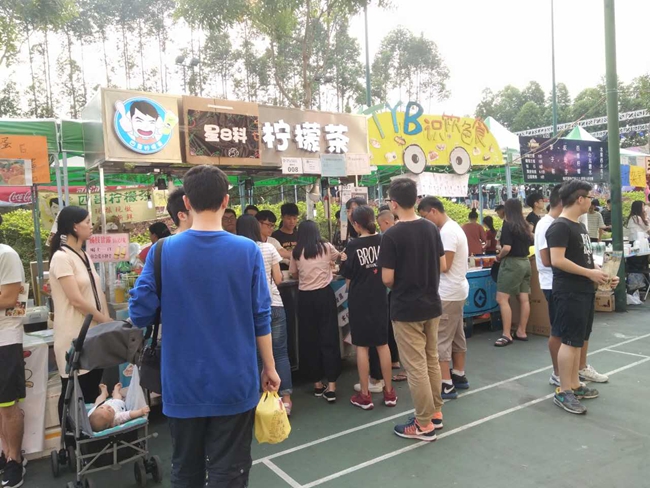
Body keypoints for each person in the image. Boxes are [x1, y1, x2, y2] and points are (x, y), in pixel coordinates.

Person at [129, 165, 280, 487]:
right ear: (226, 201)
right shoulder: (248, 250)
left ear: (186, 202)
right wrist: (269, 367)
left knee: (186, 471)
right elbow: (261, 316)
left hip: (182, 383)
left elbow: (139, 314)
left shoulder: (161, 251)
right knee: (230, 471)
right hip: (235, 381)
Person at [378, 178, 445, 441]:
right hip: (432, 304)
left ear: (393, 204)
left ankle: (423, 424)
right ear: (416, 200)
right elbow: (442, 264)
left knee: (416, 367)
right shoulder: (431, 228)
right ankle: (435, 413)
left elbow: (387, 278)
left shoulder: (391, 235)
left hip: (407, 308)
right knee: (431, 360)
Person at [546, 180, 618, 414]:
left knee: (578, 339)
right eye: (589, 197)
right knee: (569, 340)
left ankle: (575, 384)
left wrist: (602, 274)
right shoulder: (560, 226)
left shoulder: (578, 226)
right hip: (569, 291)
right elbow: (557, 260)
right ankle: (564, 390)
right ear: (580, 199)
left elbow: (584, 260)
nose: (591, 202)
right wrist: (590, 273)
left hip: (583, 290)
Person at [49, 206, 111, 421]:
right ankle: (70, 438)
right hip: (74, 336)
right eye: (87, 222)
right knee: (73, 392)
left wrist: (105, 323)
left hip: (93, 335)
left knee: (91, 390)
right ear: (74, 226)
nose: (91, 226)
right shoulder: (61, 257)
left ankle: (89, 436)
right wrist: (105, 320)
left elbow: (96, 293)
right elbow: (76, 300)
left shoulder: (84, 255)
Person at [236, 215, 293, 416]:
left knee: (257, 356)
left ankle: (262, 400)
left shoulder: (237, 250)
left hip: (249, 309)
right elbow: (278, 278)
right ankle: (286, 400)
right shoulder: (268, 248)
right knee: (280, 353)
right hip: (274, 304)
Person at [341, 206, 397, 410]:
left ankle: (365, 395)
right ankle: (389, 392)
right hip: (380, 297)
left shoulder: (352, 246)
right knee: (383, 344)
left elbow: (347, 276)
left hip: (359, 300)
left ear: (356, 224)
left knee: (362, 347)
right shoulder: (384, 240)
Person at [418, 197, 470, 400]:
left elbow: (444, 265)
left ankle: (446, 384)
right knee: (456, 335)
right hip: (457, 291)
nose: (425, 222)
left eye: (425, 217)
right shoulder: (454, 228)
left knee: (440, 339)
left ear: (433, 211)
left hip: (448, 293)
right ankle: (459, 374)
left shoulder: (447, 232)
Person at [289, 221, 341, 402]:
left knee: (309, 340)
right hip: (324, 295)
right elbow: (340, 257)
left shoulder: (296, 252)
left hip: (305, 298)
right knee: (329, 337)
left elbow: (294, 274)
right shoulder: (326, 247)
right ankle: (332, 386)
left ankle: (317, 384)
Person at [0, 222, 27, 488]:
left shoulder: (6, 254)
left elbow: (9, 298)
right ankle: (6, 452)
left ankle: (15, 459)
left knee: (8, 404)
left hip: (5, 339)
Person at [534, 185, 563, 387]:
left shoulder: (557, 223)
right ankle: (558, 373)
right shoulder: (546, 225)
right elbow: (546, 260)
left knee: (565, 330)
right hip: (552, 283)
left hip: (561, 282)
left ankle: (568, 371)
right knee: (558, 330)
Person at [494, 199, 534, 347]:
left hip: (511, 264)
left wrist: (499, 257)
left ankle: (506, 334)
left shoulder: (507, 224)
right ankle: (521, 331)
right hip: (525, 262)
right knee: (524, 298)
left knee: (502, 298)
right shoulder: (525, 226)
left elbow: (507, 248)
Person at [272, 203, 300, 270]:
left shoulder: (300, 235)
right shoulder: (274, 236)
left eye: (294, 218)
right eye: (288, 218)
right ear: (282, 217)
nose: (292, 221)